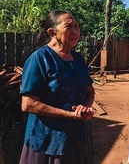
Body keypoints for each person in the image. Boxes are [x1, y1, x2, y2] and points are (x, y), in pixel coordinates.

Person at [19, 10, 95, 164]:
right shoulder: (39, 59)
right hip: (47, 141)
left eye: (76, 26)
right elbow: (28, 104)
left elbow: (90, 90)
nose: (75, 31)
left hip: (77, 138)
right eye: (69, 27)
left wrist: (85, 108)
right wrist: (72, 115)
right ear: (52, 32)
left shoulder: (78, 59)